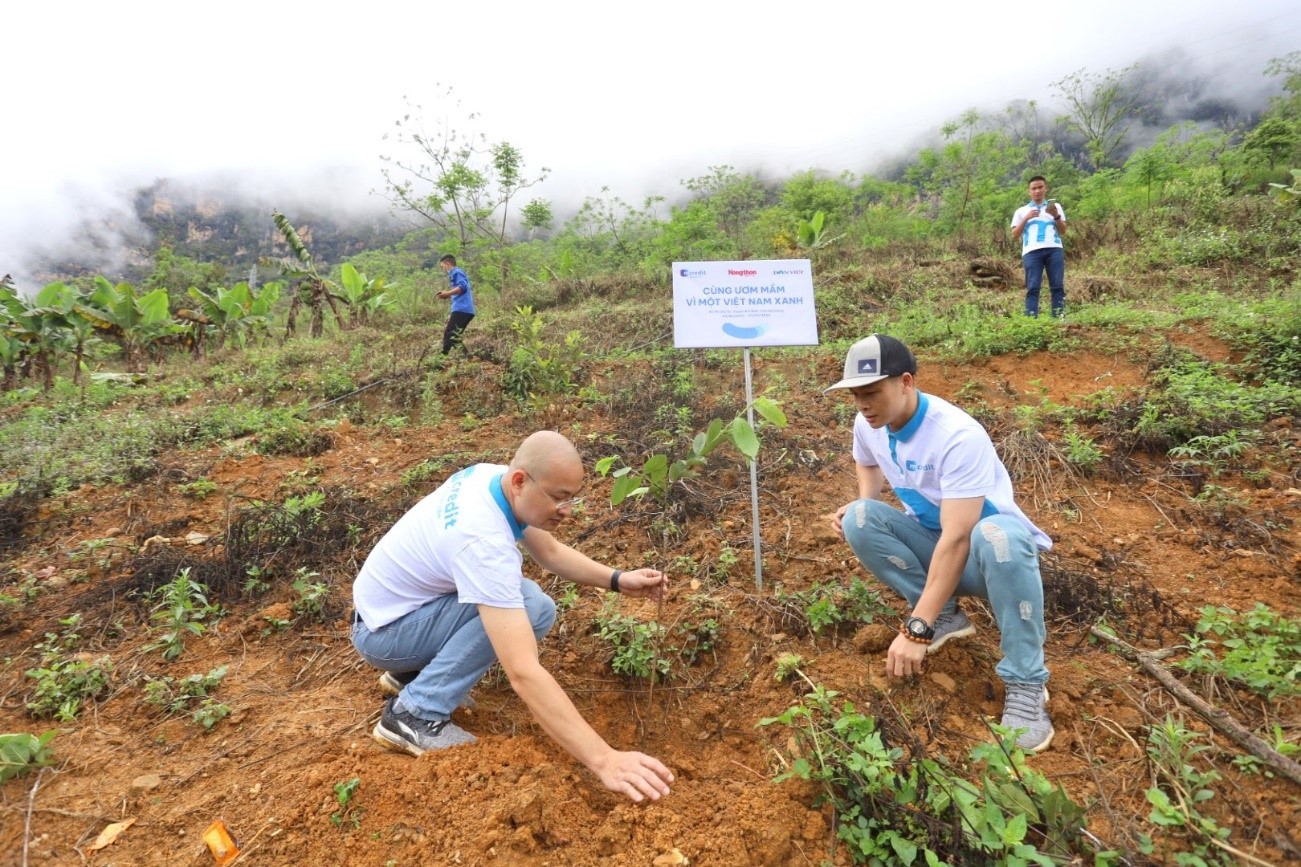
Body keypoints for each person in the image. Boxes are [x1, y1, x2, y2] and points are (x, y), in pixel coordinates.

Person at [350, 430, 675, 803]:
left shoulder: (493, 479)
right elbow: (522, 672)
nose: (568, 511)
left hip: (395, 610)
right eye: (559, 498)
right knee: (531, 608)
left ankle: (414, 674)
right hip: (385, 633)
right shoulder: (481, 541)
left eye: (572, 498)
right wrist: (604, 759)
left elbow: (548, 552)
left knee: (529, 602)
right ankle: (414, 713)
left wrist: (617, 580)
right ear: (521, 480)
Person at [825, 334, 1054, 752]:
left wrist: (917, 627)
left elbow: (958, 536)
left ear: (906, 382)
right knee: (859, 517)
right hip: (938, 547)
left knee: (998, 534)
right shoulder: (869, 422)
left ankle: (1026, 681)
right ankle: (947, 615)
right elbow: (867, 460)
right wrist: (864, 502)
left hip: (989, 560)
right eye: (855, 395)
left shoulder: (956, 435)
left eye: (872, 392)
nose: (862, 404)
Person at [1010, 176, 1066, 318]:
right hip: (1031, 251)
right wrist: (1025, 218)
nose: (1037, 191)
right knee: (1033, 287)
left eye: (1040, 187)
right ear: (1029, 191)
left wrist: (1056, 216)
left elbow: (1063, 230)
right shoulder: (1021, 211)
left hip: (1054, 249)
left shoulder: (1056, 207)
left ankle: (1059, 318)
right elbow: (1014, 235)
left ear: (1046, 188)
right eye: (1034, 188)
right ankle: (1031, 320)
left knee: (1057, 286)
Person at [436, 253, 475, 354]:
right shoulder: (455, 274)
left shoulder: (456, 272)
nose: (443, 269)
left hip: (462, 310)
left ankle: (440, 360)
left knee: (450, 334)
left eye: (442, 266)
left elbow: (463, 287)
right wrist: (452, 314)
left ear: (447, 263)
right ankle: (468, 359)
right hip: (462, 310)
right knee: (454, 337)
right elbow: (458, 294)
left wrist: (447, 293)